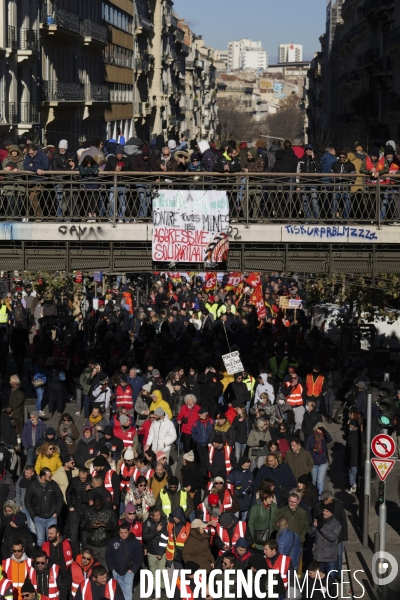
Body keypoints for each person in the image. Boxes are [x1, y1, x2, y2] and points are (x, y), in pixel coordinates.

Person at [25, 467, 64, 547]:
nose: (51, 478)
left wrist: (56, 512)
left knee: (52, 539)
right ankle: (42, 557)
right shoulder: (33, 485)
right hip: (38, 517)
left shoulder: (53, 484)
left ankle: (52, 556)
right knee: (40, 540)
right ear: (43, 476)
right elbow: (27, 501)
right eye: (49, 476)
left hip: (51, 517)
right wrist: (33, 515)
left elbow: (60, 498)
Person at [105, 522, 143, 600]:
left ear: (129, 532)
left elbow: (139, 557)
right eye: (121, 532)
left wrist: (133, 570)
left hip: (129, 572)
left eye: (125, 532)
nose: (123, 535)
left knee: (127, 591)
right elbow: (108, 555)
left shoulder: (135, 542)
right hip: (116, 572)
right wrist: (112, 568)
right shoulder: (113, 541)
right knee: (118, 591)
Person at [81, 494, 118, 568]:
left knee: (104, 569)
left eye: (99, 505)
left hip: (104, 546)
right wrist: (90, 526)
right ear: (93, 503)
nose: (97, 507)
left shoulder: (109, 512)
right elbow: (82, 526)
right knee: (89, 569)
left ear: (102, 502)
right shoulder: (88, 511)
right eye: (95, 505)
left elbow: (116, 527)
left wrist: (105, 525)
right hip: (91, 544)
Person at [309, 500, 341, 580]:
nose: (324, 513)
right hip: (318, 555)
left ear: (331, 513)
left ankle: (330, 592)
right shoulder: (318, 519)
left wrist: (321, 528)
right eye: (324, 510)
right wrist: (314, 526)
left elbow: (332, 537)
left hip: (329, 556)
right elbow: (311, 534)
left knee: (330, 579)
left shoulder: (336, 524)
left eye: (327, 511)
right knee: (318, 579)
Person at [142, 506, 168, 596]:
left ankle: (163, 587)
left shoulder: (164, 521)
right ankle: (155, 588)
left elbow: (165, 538)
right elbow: (145, 537)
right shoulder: (147, 523)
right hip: (151, 551)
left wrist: (161, 552)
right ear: (151, 516)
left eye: (159, 514)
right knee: (153, 571)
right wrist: (156, 531)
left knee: (161, 571)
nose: (159, 516)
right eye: (156, 515)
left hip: (162, 551)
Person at [66, 467, 90, 558]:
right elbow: (68, 493)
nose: (83, 480)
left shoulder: (90, 481)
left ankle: (84, 554)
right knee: (73, 533)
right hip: (75, 510)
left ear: (87, 474)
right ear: (78, 474)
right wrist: (70, 505)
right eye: (81, 478)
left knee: (84, 533)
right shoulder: (74, 481)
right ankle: (75, 555)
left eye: (84, 478)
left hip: (86, 510)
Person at [305, 423, 333, 497]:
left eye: (321, 429)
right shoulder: (311, 438)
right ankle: (314, 496)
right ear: (315, 428)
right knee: (314, 481)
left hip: (322, 462)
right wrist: (312, 455)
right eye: (318, 428)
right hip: (313, 463)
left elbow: (330, 440)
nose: (319, 431)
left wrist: (325, 432)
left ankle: (319, 497)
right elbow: (307, 449)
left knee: (320, 481)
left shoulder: (324, 437)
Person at [226, 455, 254, 520]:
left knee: (243, 520)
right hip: (236, 501)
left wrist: (250, 490)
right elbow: (229, 486)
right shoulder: (234, 473)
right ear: (242, 463)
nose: (249, 464)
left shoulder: (250, 474)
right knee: (235, 519)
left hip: (246, 501)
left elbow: (252, 485)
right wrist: (238, 494)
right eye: (247, 462)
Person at [15, 465, 37, 534]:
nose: (26, 474)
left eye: (28, 473)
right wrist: (19, 505)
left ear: (32, 473)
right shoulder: (21, 480)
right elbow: (17, 493)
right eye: (25, 472)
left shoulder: (36, 480)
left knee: (32, 527)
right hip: (23, 508)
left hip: (33, 508)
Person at [345, 419, 364, 494]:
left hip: (353, 457)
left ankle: (354, 486)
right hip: (357, 457)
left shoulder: (352, 434)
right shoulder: (360, 433)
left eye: (350, 425)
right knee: (355, 472)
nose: (349, 426)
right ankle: (355, 486)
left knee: (352, 472)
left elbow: (351, 445)